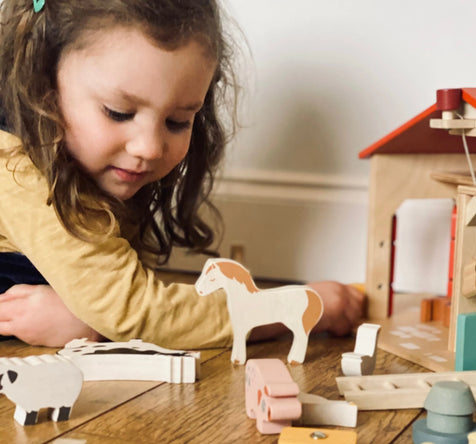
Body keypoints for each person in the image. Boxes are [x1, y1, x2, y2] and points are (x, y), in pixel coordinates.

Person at [0, 0, 365, 348]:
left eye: (177, 122)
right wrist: (296, 308)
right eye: (118, 112)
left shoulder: (90, 163)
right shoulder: (16, 171)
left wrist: (92, 317)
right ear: (40, 86)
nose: (150, 148)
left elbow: (120, 301)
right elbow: (137, 311)